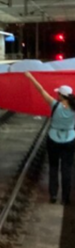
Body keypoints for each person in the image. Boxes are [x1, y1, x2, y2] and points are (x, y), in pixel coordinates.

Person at [26, 72, 75, 204]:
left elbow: (40, 90)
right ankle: (65, 198)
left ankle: (53, 195)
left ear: (60, 95)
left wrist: (30, 77)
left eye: (58, 93)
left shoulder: (54, 105)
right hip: (70, 139)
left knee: (53, 167)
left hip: (53, 139)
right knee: (67, 169)